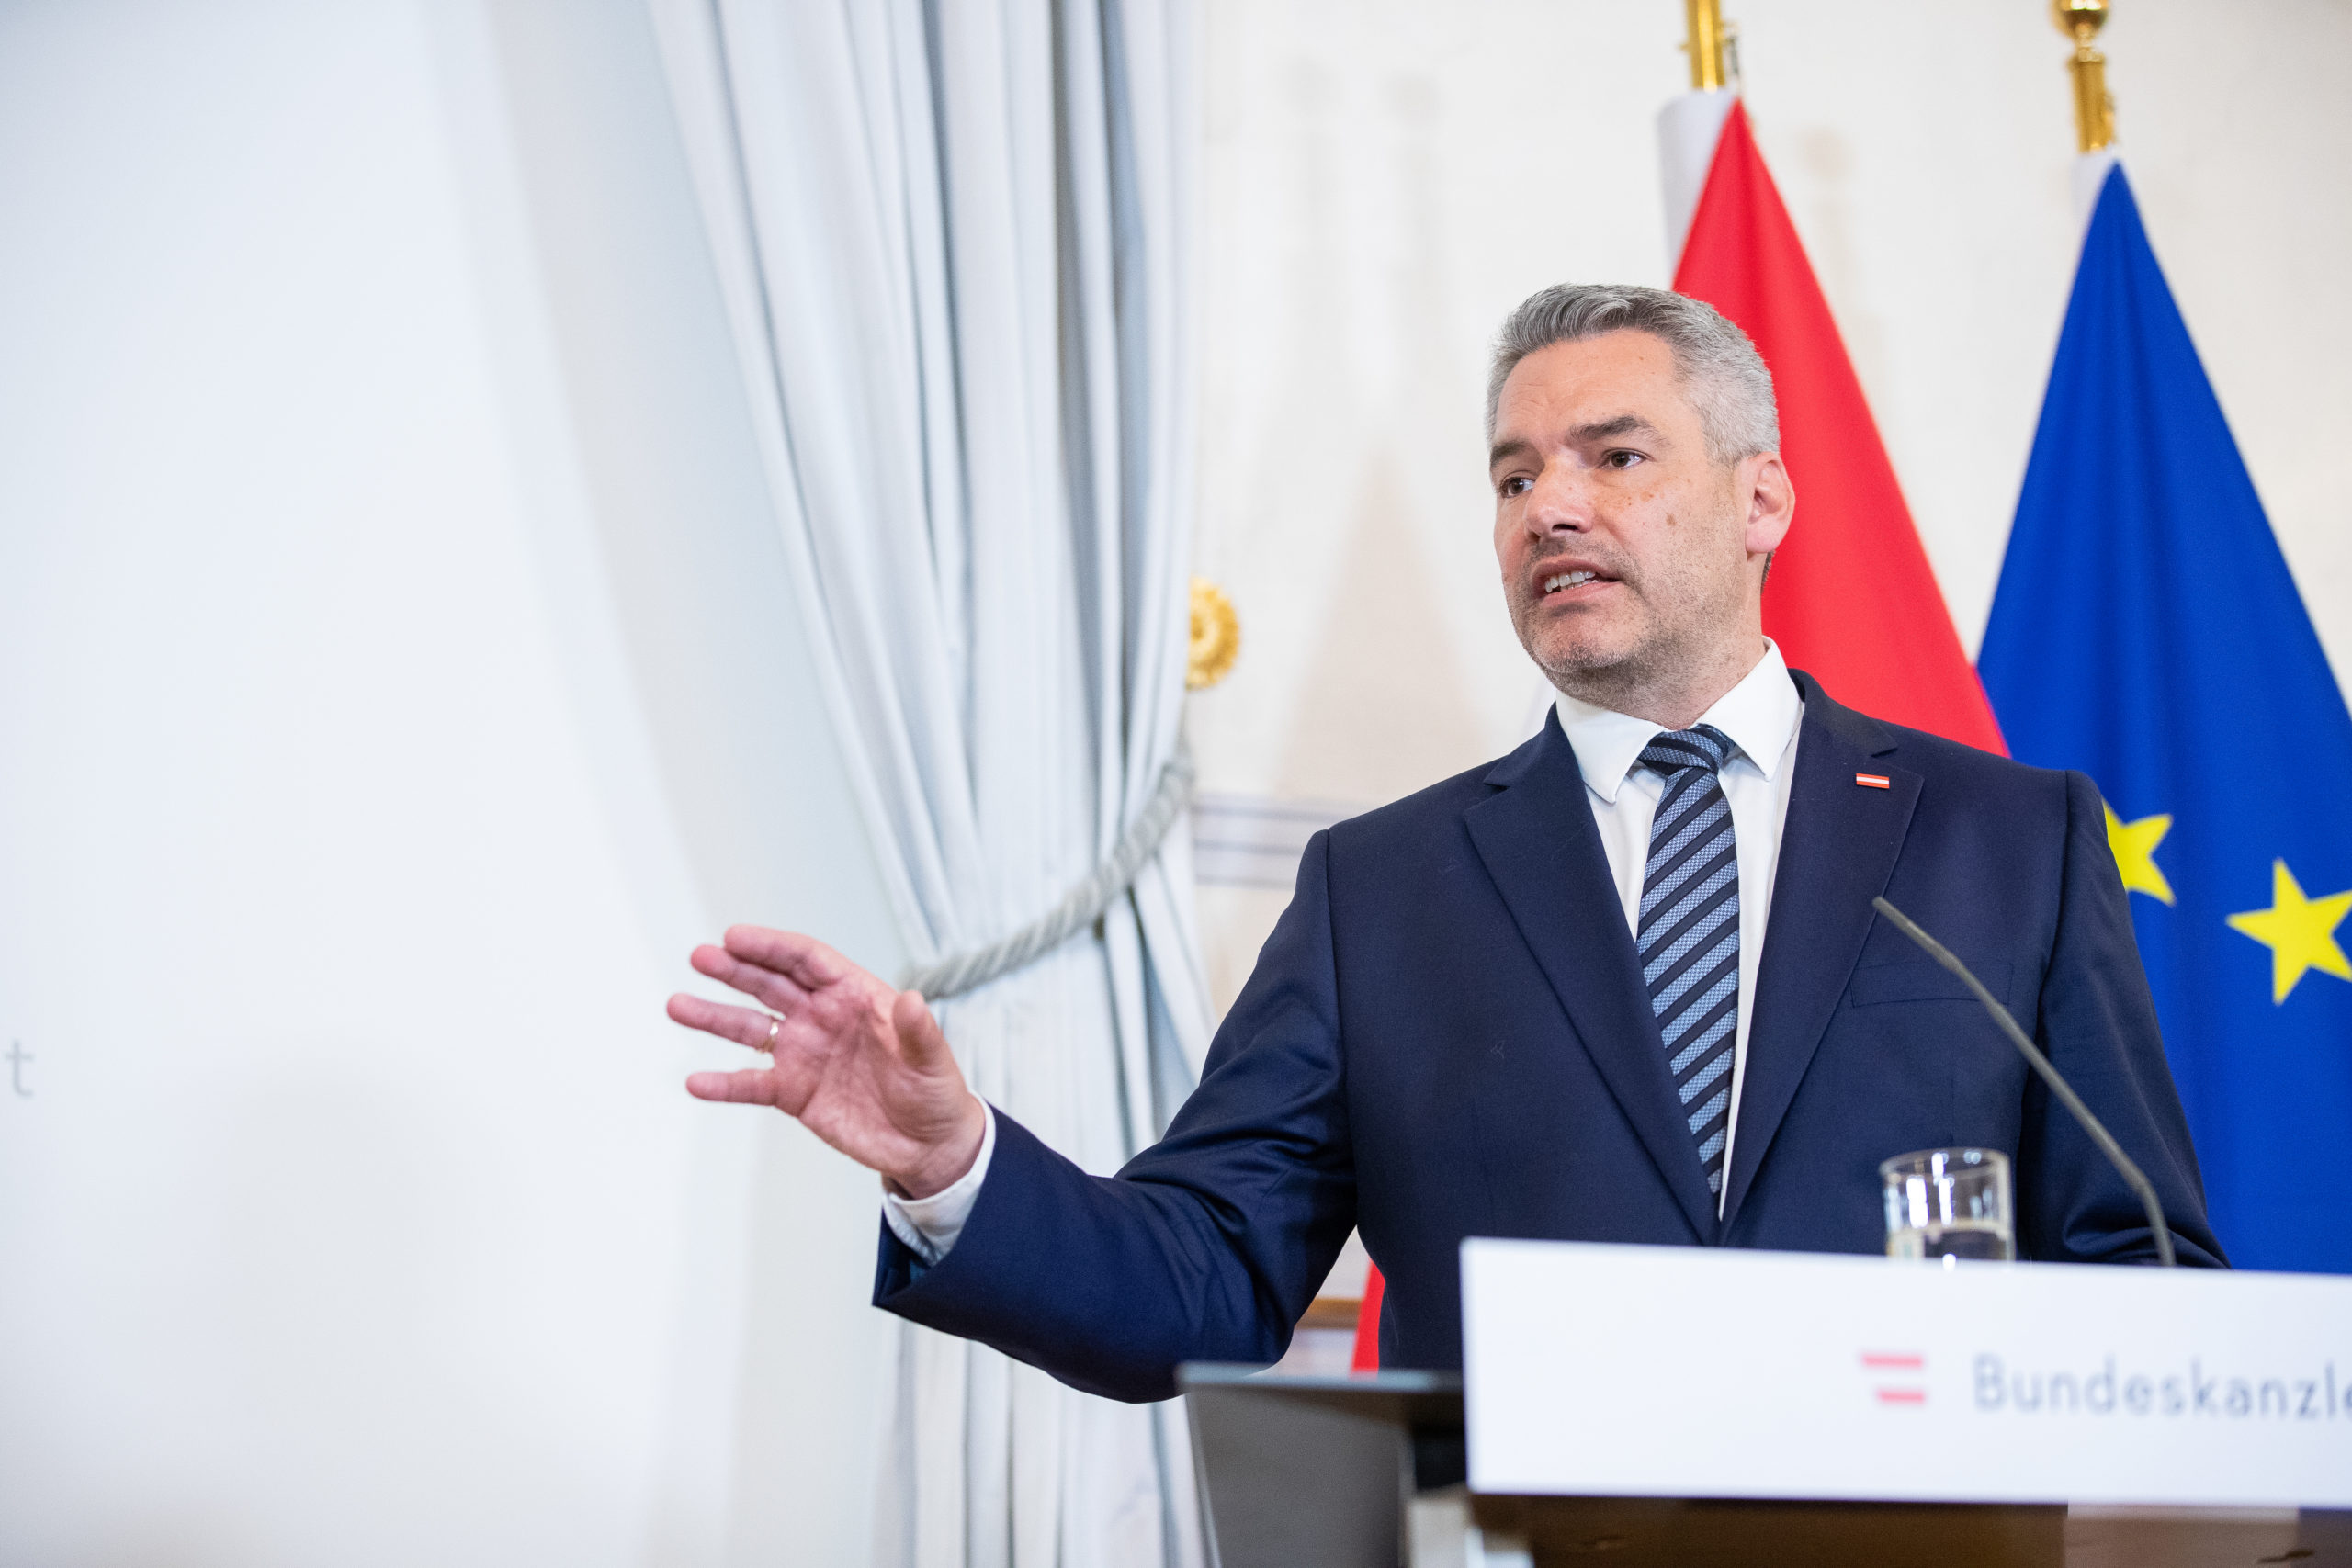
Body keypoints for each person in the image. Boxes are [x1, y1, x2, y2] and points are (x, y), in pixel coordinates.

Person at [666, 284, 2224, 1404]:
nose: (1551, 507)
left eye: (1616, 458)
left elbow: (2140, 1271)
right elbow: (1203, 1280)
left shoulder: (2005, 843)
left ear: (1762, 500)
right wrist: (955, 1167)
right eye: (1514, 476)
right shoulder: (1384, 893)